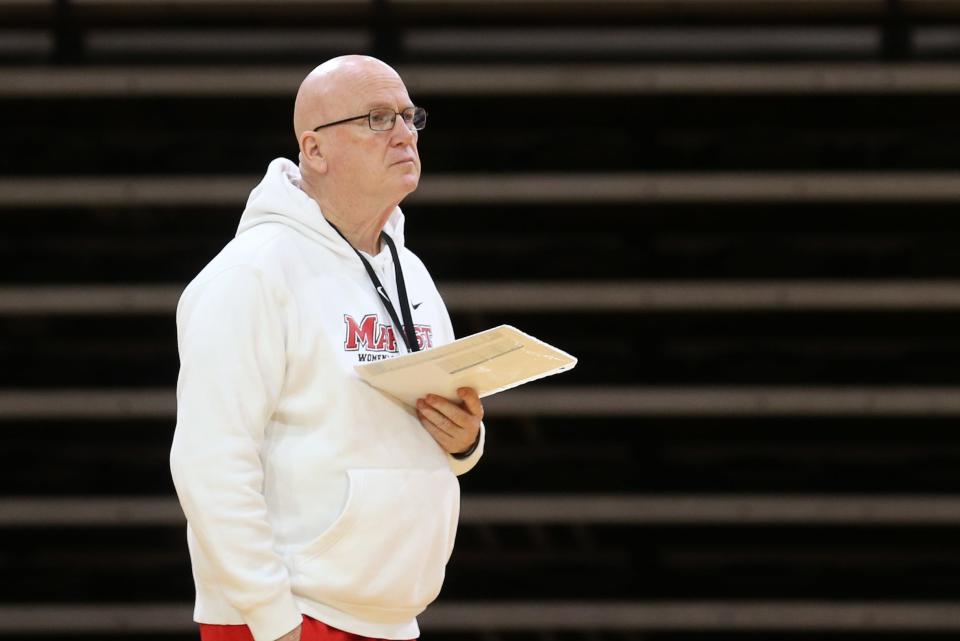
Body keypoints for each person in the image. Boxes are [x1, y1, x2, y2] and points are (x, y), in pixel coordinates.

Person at [170, 55, 485, 641]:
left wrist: (464, 441)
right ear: (313, 151)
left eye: (409, 116)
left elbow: (395, 431)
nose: (402, 133)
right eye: (376, 118)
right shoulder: (251, 274)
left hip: (391, 617)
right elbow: (208, 462)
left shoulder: (408, 272)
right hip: (291, 619)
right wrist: (271, 619)